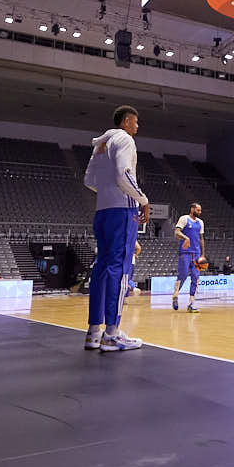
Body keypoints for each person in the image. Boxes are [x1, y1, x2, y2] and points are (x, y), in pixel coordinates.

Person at [83, 105, 149, 352]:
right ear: (128, 120)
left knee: (101, 268)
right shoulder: (125, 139)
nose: (138, 126)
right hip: (122, 212)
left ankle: (93, 333)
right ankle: (112, 333)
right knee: (120, 269)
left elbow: (88, 180)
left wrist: (108, 193)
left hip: (102, 211)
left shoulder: (100, 145)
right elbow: (123, 174)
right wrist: (142, 200)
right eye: (136, 122)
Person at [172, 202, 205, 312]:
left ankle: (191, 304)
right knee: (183, 275)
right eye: (198, 210)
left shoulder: (200, 222)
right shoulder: (184, 218)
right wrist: (186, 238)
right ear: (192, 209)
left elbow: (201, 239)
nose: (200, 212)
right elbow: (176, 232)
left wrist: (203, 254)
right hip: (185, 252)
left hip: (197, 254)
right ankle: (175, 296)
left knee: (196, 277)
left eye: (200, 210)